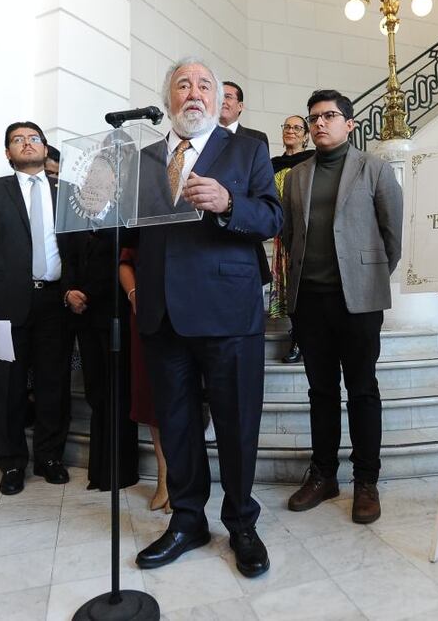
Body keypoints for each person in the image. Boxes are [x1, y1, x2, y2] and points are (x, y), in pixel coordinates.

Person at [131, 57, 281, 578]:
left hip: (227, 310)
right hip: (162, 313)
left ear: (217, 100)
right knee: (176, 424)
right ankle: (187, 520)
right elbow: (133, 232)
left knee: (237, 424)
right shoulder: (146, 159)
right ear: (168, 99)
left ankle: (241, 523)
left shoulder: (248, 148)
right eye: (182, 85)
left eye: (203, 85)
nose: (193, 93)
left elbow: (272, 217)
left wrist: (228, 202)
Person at [281, 89, 402, 524]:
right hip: (309, 301)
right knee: (321, 392)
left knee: (363, 389)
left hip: (359, 302)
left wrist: (366, 276)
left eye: (329, 116)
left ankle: (366, 480)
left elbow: (392, 236)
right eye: (313, 116)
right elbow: (290, 235)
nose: (319, 123)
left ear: (349, 124)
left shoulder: (375, 168)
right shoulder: (297, 176)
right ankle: (324, 475)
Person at [0, 122, 71, 495]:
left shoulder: (66, 192)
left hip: (56, 302)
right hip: (6, 305)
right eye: (18, 140)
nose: (27, 143)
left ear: (45, 147)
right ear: (8, 152)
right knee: (8, 385)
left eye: (34, 138)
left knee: (54, 384)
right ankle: (11, 462)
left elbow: (76, 247)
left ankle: (49, 458)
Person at [62, 226, 140, 491]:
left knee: (117, 392)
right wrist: (69, 292)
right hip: (84, 317)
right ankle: (98, 471)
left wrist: (88, 293)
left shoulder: (121, 220)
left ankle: (119, 472)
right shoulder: (75, 220)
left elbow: (119, 261)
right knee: (95, 393)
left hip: (114, 313)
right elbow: (68, 259)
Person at [119, 248, 169, 512]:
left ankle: (182, 477)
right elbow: (125, 263)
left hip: (189, 309)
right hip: (148, 314)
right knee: (152, 397)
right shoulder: (142, 223)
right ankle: (163, 474)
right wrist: (134, 294)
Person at [269, 115, 315, 363]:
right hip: (281, 234)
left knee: (306, 288)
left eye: (297, 128)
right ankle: (297, 335)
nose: (291, 131)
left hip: (306, 233)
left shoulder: (313, 160)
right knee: (290, 289)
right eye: (287, 126)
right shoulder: (272, 164)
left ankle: (304, 337)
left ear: (306, 135)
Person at [220, 81, 269, 148]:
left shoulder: (257, 138)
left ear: (240, 106)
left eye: (228, 97)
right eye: (219, 96)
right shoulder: (205, 135)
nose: (222, 101)